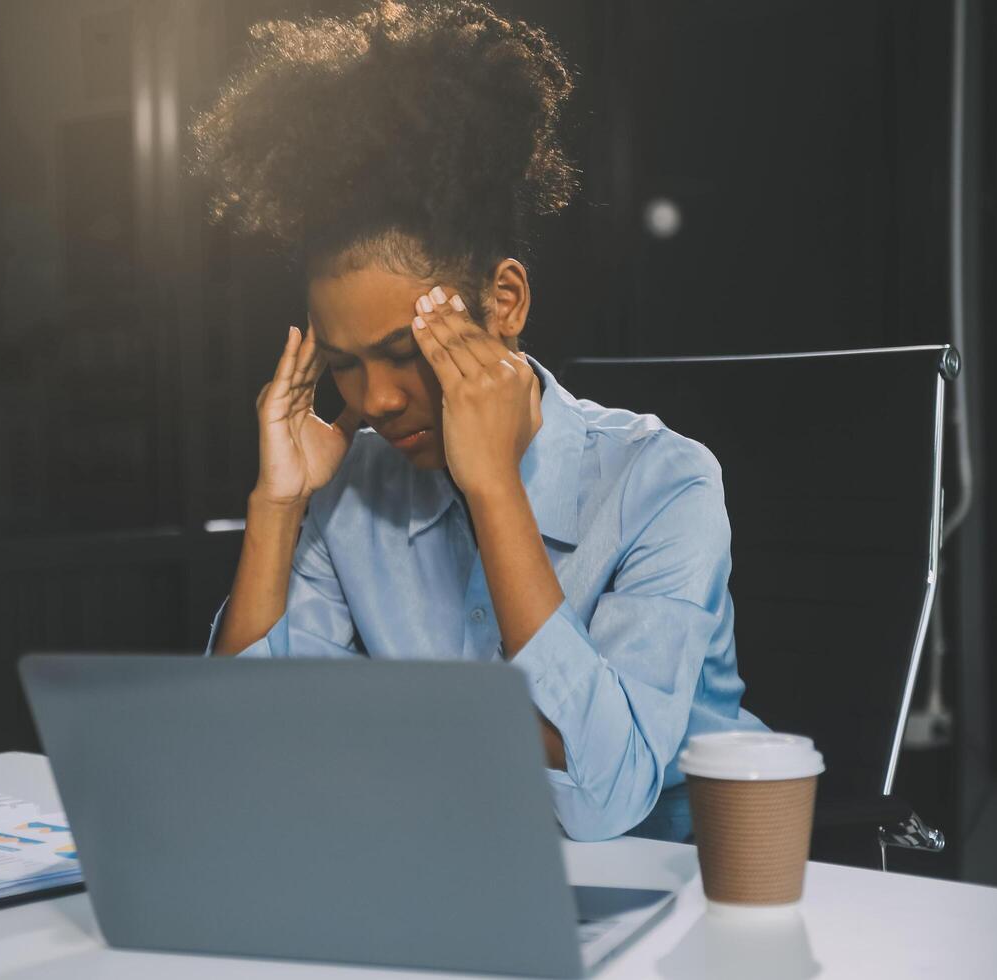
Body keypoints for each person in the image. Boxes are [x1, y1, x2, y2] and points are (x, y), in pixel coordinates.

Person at [193, 0, 765, 842]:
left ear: (504, 301)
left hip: (680, 887)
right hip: (464, 866)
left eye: (404, 351)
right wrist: (278, 506)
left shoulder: (664, 484)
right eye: (346, 364)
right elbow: (238, 752)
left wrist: (494, 485)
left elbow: (604, 797)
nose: (377, 400)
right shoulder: (351, 489)